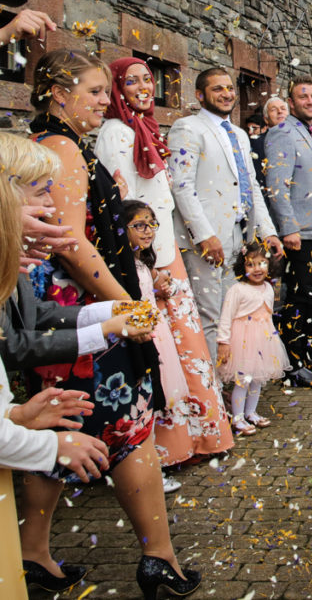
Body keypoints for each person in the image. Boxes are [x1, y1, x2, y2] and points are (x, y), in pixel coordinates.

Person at [25, 49, 201, 598]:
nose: (107, 101)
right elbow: (74, 245)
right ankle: (158, 559)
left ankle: (33, 556)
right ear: (59, 93)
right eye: (95, 91)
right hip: (86, 316)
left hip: (64, 317)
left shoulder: (49, 143)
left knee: (60, 427)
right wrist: (127, 306)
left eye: (107, 91)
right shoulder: (63, 150)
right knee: (129, 431)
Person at [94, 57, 235, 476]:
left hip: (167, 250)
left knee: (186, 346)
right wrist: (147, 262)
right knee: (165, 352)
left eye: (147, 80)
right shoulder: (117, 134)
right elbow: (123, 206)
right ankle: (166, 447)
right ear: (118, 89)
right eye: (132, 81)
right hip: (147, 257)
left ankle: (200, 433)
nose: (142, 87)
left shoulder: (148, 129)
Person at [0, 133, 122, 597]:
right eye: (41, 191)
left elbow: (38, 317)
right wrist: (51, 449)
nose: (54, 202)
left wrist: (16, 416)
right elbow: (16, 344)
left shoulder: (14, 255)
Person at [166, 68, 282, 365]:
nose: (227, 93)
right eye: (217, 89)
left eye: (229, 88)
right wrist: (204, 235)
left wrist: (267, 231)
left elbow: (251, 184)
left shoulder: (240, 135)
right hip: (207, 238)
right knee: (209, 313)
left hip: (239, 234)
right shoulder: (187, 128)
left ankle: (229, 378)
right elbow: (181, 185)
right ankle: (212, 390)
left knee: (233, 312)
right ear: (200, 95)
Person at [263, 75, 312, 387]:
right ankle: (294, 365)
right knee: (298, 299)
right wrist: (288, 229)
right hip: (302, 233)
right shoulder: (282, 132)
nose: (310, 101)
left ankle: (308, 356)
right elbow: (275, 185)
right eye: (303, 97)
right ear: (292, 101)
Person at [120, 199, 192, 493]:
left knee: (154, 402)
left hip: (156, 332)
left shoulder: (142, 262)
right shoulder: (124, 266)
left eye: (151, 224)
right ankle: (148, 472)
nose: (147, 231)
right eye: (138, 225)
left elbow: (158, 287)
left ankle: (154, 464)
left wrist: (163, 282)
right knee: (144, 405)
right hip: (142, 335)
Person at [216, 240, 288, 436]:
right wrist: (224, 342)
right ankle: (237, 417)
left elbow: (268, 314)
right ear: (243, 266)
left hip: (263, 339)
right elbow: (226, 317)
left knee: (257, 379)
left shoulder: (268, 288)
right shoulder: (237, 290)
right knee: (243, 380)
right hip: (243, 341)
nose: (257, 269)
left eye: (262, 263)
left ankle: (251, 412)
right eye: (250, 264)